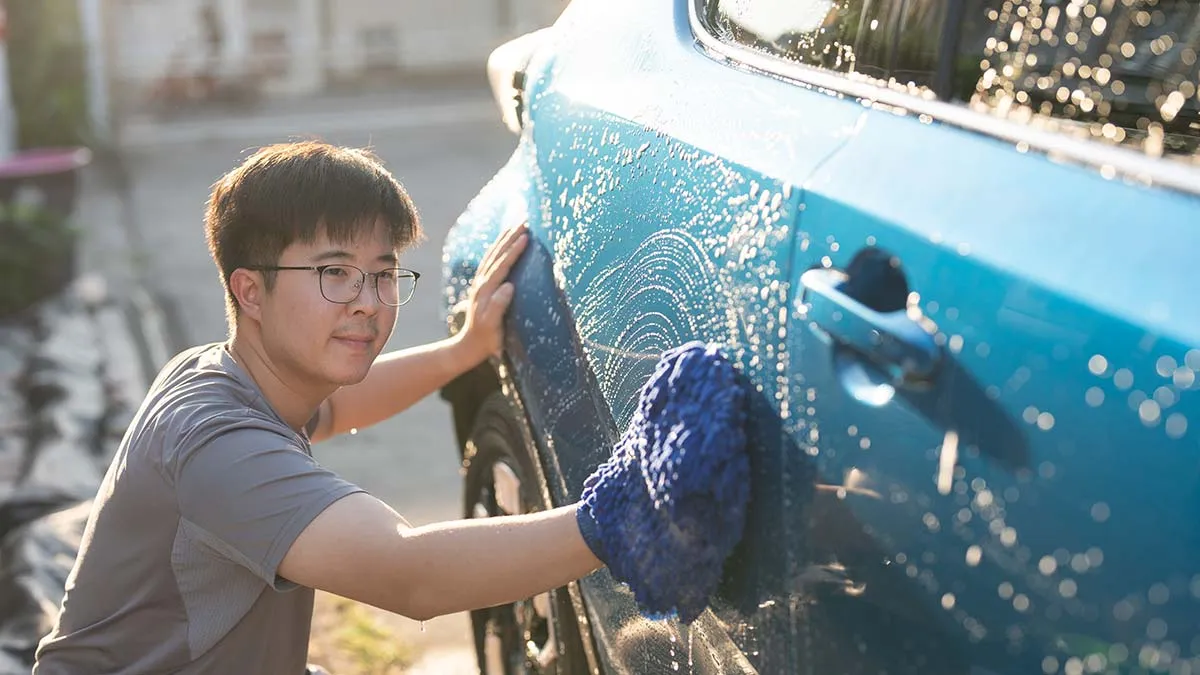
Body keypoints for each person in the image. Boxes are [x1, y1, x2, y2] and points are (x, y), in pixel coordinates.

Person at [32, 141, 603, 673]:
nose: (368, 303)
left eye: (383, 274)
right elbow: (410, 575)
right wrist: (617, 518)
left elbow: (338, 405)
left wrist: (462, 352)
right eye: (335, 273)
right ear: (250, 291)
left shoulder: (224, 373)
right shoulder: (216, 445)